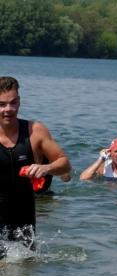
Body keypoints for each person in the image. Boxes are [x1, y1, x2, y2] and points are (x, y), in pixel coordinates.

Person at [0, 76, 72, 255]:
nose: (8, 109)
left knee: (25, 267)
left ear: (19, 101)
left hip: (25, 221)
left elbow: (65, 165)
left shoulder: (35, 131)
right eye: (2, 104)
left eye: (13, 103)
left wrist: (46, 168)